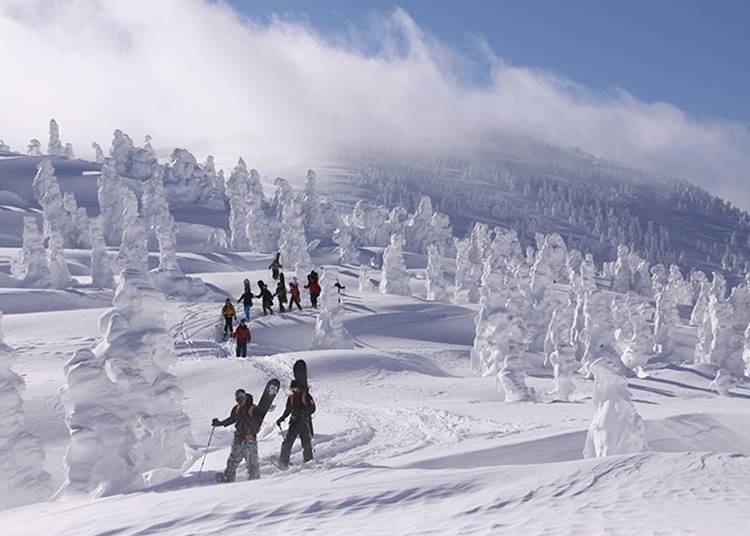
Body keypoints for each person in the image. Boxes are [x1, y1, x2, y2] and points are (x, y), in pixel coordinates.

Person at [212, 389, 261, 481]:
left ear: (245, 397)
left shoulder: (253, 408)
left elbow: (259, 419)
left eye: (242, 398)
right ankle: (228, 477)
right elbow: (232, 419)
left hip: (249, 439)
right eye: (238, 399)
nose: (240, 401)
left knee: (252, 461)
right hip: (238, 438)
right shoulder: (237, 408)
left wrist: (252, 421)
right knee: (233, 459)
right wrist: (220, 423)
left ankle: (254, 480)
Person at [276, 379, 315, 468]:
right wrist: (282, 418)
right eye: (292, 389)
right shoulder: (291, 398)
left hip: (304, 423)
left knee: (306, 443)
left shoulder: (306, 396)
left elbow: (312, 408)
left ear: (300, 388)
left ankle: (308, 461)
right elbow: (288, 410)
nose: (294, 391)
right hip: (294, 423)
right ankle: (283, 462)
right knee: (287, 442)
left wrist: (304, 413)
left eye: (296, 389)